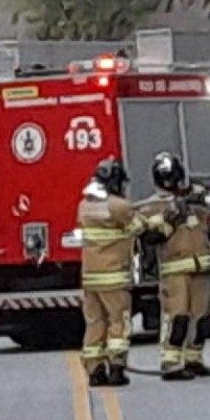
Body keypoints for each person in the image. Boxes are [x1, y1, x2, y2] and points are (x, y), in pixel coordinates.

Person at [141, 152, 210, 381]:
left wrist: (202, 196)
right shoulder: (153, 206)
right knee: (178, 317)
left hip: (201, 267)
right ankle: (171, 362)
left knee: (201, 317)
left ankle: (194, 359)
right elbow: (152, 235)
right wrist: (173, 214)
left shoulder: (194, 200)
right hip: (175, 271)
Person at [78, 158, 143, 387]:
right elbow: (139, 227)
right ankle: (116, 368)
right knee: (119, 322)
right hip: (114, 278)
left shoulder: (84, 206)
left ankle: (95, 371)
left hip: (90, 279)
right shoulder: (119, 206)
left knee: (95, 323)